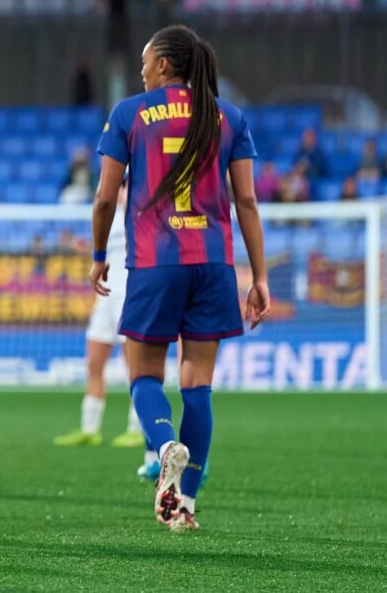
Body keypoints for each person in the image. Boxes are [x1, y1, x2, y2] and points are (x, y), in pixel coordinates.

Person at [90, 26, 270, 533]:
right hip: (213, 264)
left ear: (165, 65)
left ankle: (165, 445)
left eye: (145, 63)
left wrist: (100, 253)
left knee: (144, 377)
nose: (141, 71)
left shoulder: (130, 112)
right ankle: (186, 507)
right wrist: (258, 277)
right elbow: (248, 203)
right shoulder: (229, 116)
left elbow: (106, 198)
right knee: (199, 387)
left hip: (155, 261)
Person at [54, 180, 147, 453]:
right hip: (105, 298)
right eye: (120, 187)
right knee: (94, 362)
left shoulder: (143, 216)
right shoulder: (111, 218)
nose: (122, 192)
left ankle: (135, 428)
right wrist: (86, 248)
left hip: (130, 297)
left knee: (135, 366)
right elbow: (106, 256)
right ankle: (90, 429)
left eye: (128, 187)